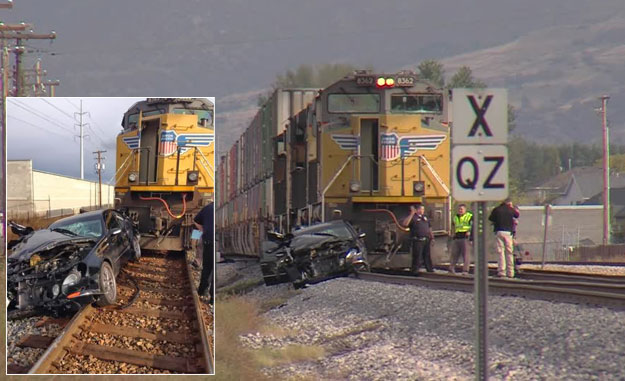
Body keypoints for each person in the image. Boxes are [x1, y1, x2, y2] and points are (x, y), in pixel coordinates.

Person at [488, 198, 520, 278]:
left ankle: (502, 271)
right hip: (508, 233)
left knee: (500, 252)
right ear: (509, 203)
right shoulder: (511, 210)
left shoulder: (497, 209)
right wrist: (512, 207)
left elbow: (491, 219)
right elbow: (517, 215)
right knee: (509, 252)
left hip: (499, 232)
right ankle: (510, 272)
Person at [402, 204, 434, 274]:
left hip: (426, 239)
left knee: (427, 256)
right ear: (417, 210)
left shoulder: (425, 217)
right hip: (417, 240)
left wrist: (432, 237)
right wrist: (412, 214)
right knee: (417, 256)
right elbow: (405, 224)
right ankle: (415, 270)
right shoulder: (413, 217)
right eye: (421, 209)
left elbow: (429, 227)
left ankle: (430, 270)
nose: (422, 211)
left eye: (423, 209)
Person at [194, 202, 214, 303]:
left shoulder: (207, 208)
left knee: (207, 268)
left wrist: (203, 231)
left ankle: (202, 291)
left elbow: (195, 222)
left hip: (208, 242)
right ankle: (213, 299)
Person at [449, 204, 473, 274]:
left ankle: (465, 270)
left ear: (465, 210)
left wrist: (470, 236)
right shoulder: (455, 217)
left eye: (462, 209)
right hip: (457, 237)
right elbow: (453, 226)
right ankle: (451, 269)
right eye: (459, 209)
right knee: (454, 254)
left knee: (466, 255)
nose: (460, 210)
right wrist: (452, 234)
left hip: (465, 238)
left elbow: (472, 226)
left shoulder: (469, 216)